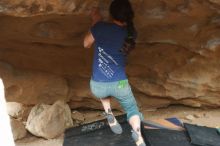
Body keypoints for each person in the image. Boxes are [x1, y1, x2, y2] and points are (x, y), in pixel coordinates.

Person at [84, 0, 146, 146]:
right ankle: (138, 135)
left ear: (111, 14)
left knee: (103, 90)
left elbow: (86, 44)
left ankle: (109, 113)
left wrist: (95, 21)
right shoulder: (132, 34)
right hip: (121, 84)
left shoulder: (100, 27)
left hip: (98, 86)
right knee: (131, 109)